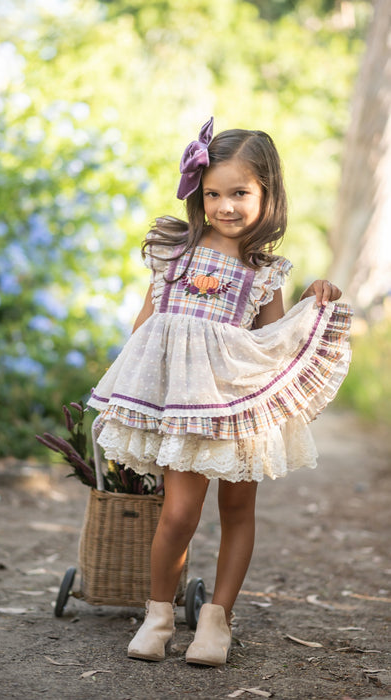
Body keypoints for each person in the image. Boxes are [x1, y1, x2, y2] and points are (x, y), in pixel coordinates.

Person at [87, 117, 352, 666]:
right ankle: (158, 614)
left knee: (237, 504)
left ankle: (217, 619)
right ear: (198, 193)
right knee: (180, 512)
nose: (225, 206)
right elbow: (146, 326)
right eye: (213, 194)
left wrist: (313, 302)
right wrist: (133, 397)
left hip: (236, 405)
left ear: (267, 194)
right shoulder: (172, 251)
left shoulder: (264, 272)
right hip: (183, 406)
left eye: (240, 193)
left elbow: (270, 345)